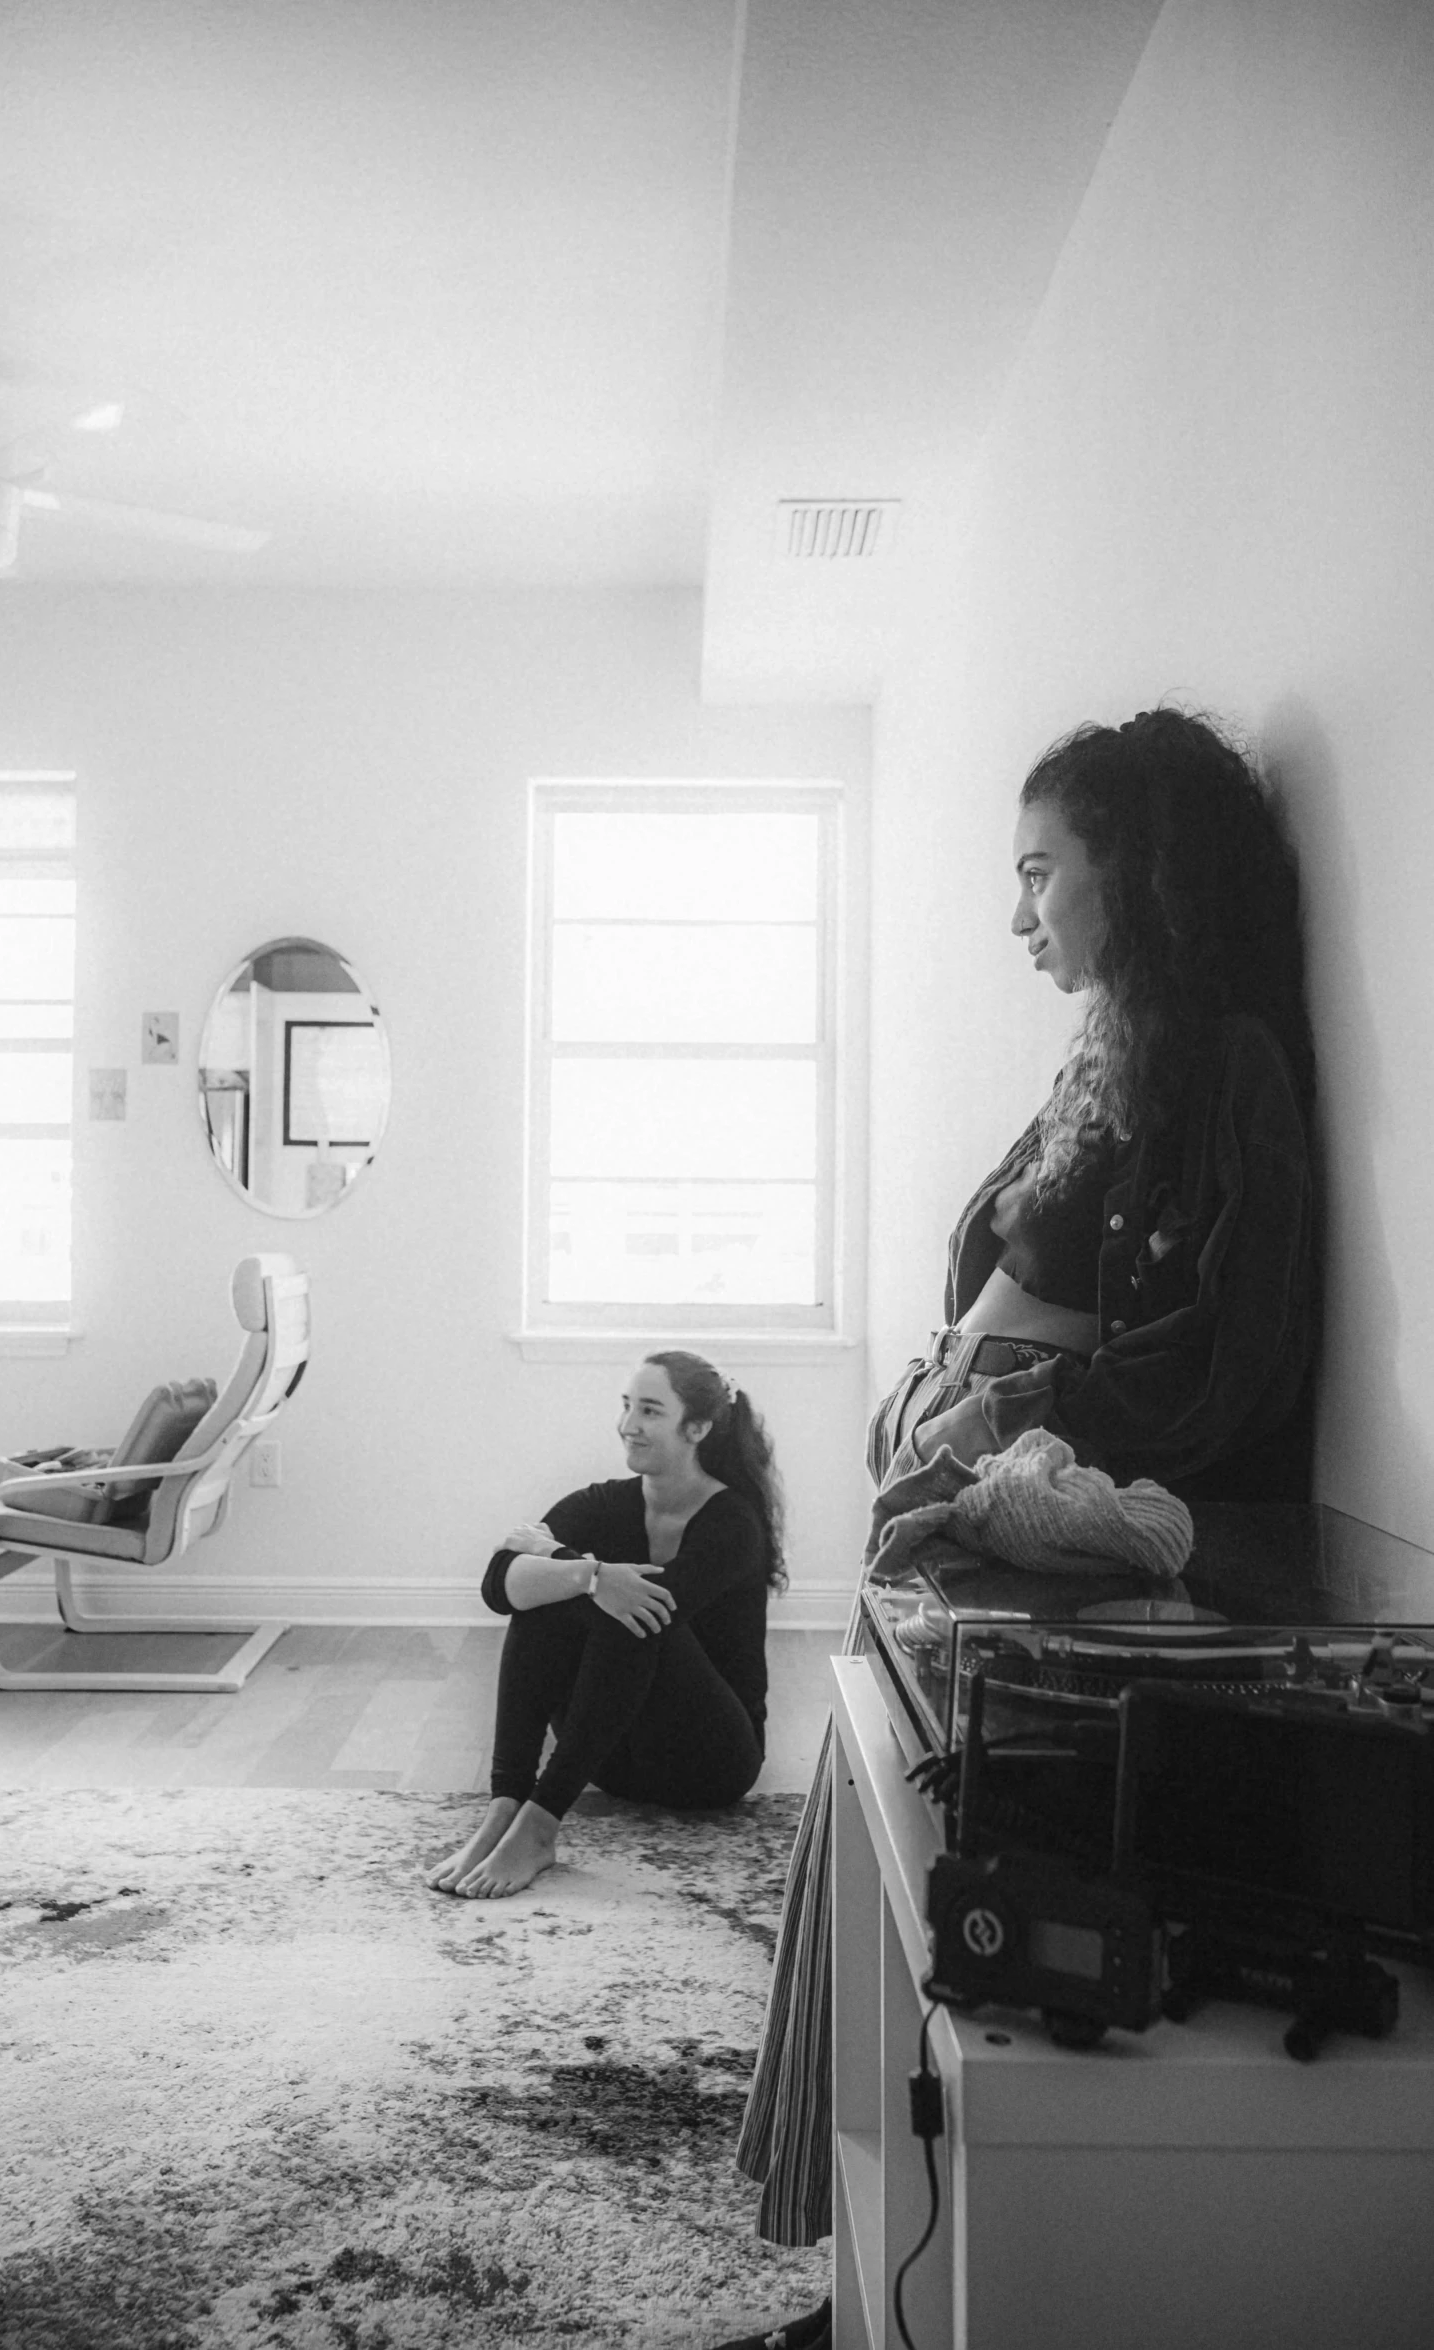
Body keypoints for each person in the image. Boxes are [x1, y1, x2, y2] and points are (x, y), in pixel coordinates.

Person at [717, 708, 1316, 2350]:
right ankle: (832, 2258)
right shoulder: (1103, 1048)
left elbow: (1226, 1360)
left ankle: (877, 2276)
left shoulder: (1228, 1068)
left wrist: (992, 1414)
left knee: (919, 1915)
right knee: (859, 1872)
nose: (1019, 913)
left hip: (1041, 1550)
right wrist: (942, 1385)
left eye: (1039, 872)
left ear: (1137, 869)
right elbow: (1006, 1262)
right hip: (962, 1521)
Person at [427, 1349, 786, 1899]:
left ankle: (539, 1827)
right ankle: (506, 1807)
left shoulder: (733, 1522)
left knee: (635, 1612)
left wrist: (566, 1563)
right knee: (558, 1596)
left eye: (649, 1411)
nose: (627, 1426)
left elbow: (649, 1607)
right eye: (626, 1406)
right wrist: (589, 1572)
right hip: (613, 1760)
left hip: (709, 1763)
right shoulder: (603, 1503)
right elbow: (499, 1583)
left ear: (697, 1427)